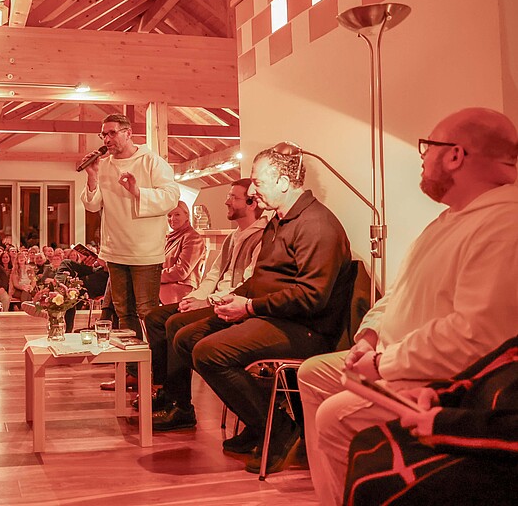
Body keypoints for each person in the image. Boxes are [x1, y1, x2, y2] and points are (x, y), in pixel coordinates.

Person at [298, 107, 518, 505]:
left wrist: (385, 363)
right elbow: (398, 293)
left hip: (444, 379)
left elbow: (478, 337)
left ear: (454, 155)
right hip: (392, 354)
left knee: (336, 414)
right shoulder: (449, 220)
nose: (422, 160)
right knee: (314, 373)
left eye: (426, 149)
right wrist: (369, 336)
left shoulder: (505, 223)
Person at [174, 147, 353, 475]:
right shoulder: (278, 222)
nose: (252, 190)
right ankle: (263, 422)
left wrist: (250, 307)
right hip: (271, 316)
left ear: (284, 182)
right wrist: (232, 299)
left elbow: (312, 298)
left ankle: (279, 427)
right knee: (186, 339)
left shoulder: (316, 225)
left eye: (257, 182)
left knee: (210, 353)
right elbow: (261, 280)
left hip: (306, 328)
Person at [343, 334, 518, 505]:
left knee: (377, 483)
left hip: (499, 453)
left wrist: (444, 423)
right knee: (369, 441)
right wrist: (438, 394)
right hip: (477, 421)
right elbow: (495, 365)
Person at [145, 179, 265, 421]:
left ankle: (182, 407)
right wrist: (195, 297)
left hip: (232, 305)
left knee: (176, 323)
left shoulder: (262, 237)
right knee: (154, 317)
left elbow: (250, 284)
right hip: (213, 298)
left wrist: (209, 302)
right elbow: (213, 274)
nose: (226, 201)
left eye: (234, 197)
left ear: (252, 204)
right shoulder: (234, 237)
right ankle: (166, 390)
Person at [81, 113, 180, 388]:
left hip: (145, 250)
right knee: (123, 313)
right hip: (115, 248)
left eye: (112, 133)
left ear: (128, 133)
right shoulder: (105, 165)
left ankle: (159, 377)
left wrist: (138, 192)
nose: (107, 139)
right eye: (103, 135)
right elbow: (92, 205)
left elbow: (172, 196)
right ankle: (133, 373)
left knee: (147, 312)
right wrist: (92, 176)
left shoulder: (151, 161)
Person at [158, 201, 206, 308]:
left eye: (177, 214)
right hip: (165, 285)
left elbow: (181, 271)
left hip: (181, 289)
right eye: (169, 215)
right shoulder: (171, 237)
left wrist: (155, 277)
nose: (172, 218)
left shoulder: (192, 238)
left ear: (187, 216)